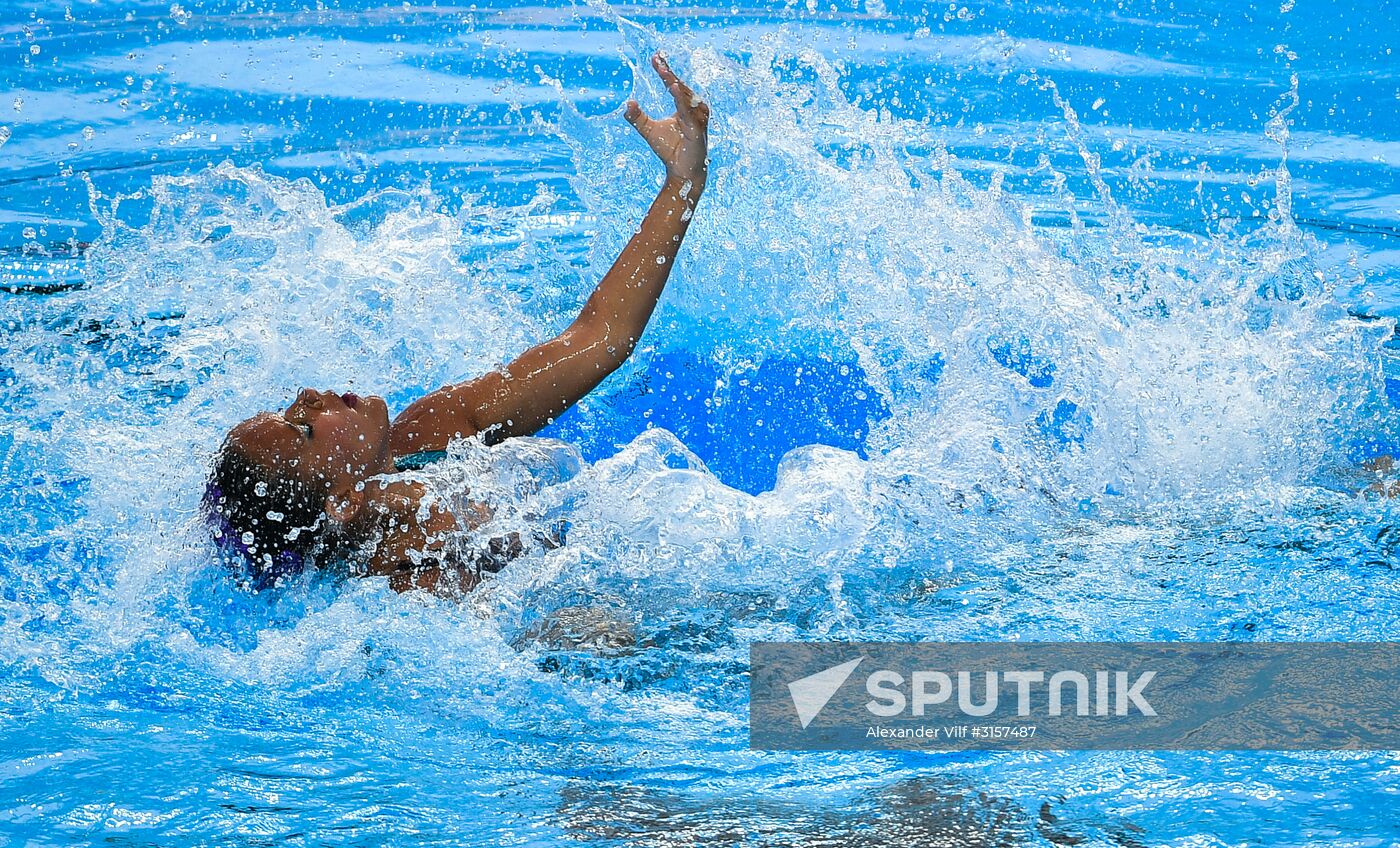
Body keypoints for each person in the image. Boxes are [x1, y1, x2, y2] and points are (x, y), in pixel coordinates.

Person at [205, 53, 710, 596]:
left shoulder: (434, 428)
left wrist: (682, 183)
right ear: (342, 502)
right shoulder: (406, 587)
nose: (307, 394)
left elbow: (596, 341)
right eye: (303, 427)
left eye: (289, 407)